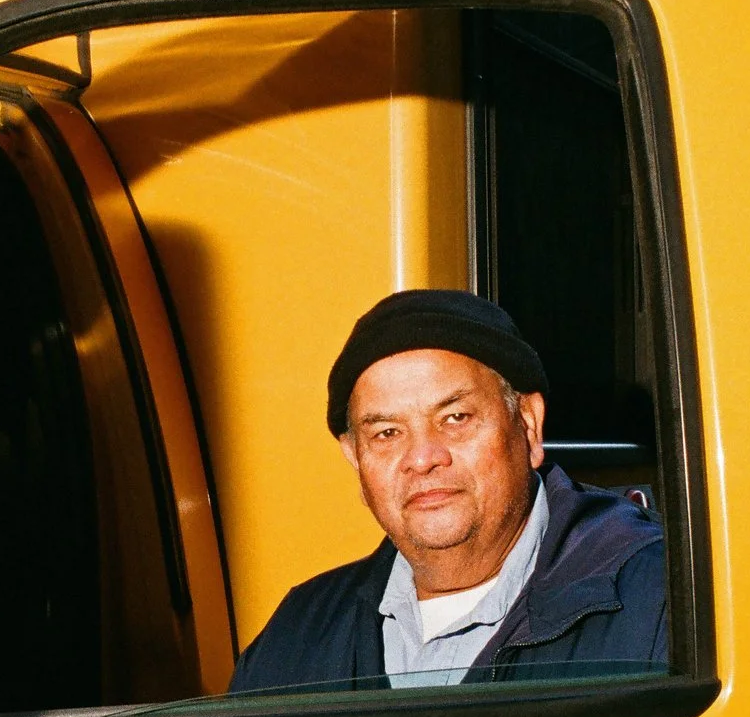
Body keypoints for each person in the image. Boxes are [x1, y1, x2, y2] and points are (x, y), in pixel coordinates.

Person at [228, 290, 668, 694]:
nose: (422, 457)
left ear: (529, 426)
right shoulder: (297, 636)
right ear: (356, 460)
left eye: (455, 418)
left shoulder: (665, 599)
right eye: (386, 433)